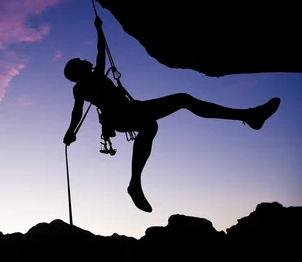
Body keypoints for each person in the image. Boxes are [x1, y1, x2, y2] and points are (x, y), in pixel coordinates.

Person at [62, 16, 281, 213]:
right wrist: (71, 132)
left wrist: (99, 30)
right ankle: (249, 116)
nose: (84, 61)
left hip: (131, 111)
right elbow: (77, 111)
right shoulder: (83, 86)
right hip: (124, 115)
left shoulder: (92, 79)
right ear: (76, 72)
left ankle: (134, 183)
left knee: (157, 120)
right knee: (176, 105)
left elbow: (100, 53)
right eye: (79, 62)